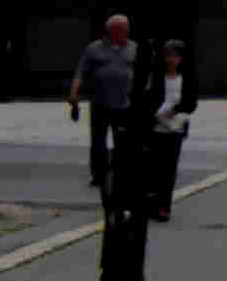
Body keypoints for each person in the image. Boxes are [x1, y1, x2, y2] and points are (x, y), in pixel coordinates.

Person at [72, 12, 139, 199]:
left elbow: (144, 74)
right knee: (98, 141)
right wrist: (73, 93)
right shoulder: (94, 49)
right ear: (111, 31)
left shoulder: (135, 48)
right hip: (100, 102)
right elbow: (80, 72)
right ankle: (99, 173)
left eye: (126, 29)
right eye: (121, 29)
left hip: (125, 104)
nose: (125, 32)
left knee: (123, 141)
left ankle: (120, 172)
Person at [130, 39, 198, 221]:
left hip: (175, 129)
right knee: (153, 169)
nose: (171, 59)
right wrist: (152, 115)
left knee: (169, 171)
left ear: (181, 59)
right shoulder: (156, 78)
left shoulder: (187, 79)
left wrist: (174, 110)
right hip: (155, 128)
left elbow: (191, 104)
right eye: (168, 55)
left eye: (175, 56)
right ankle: (151, 204)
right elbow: (145, 99)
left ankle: (164, 207)